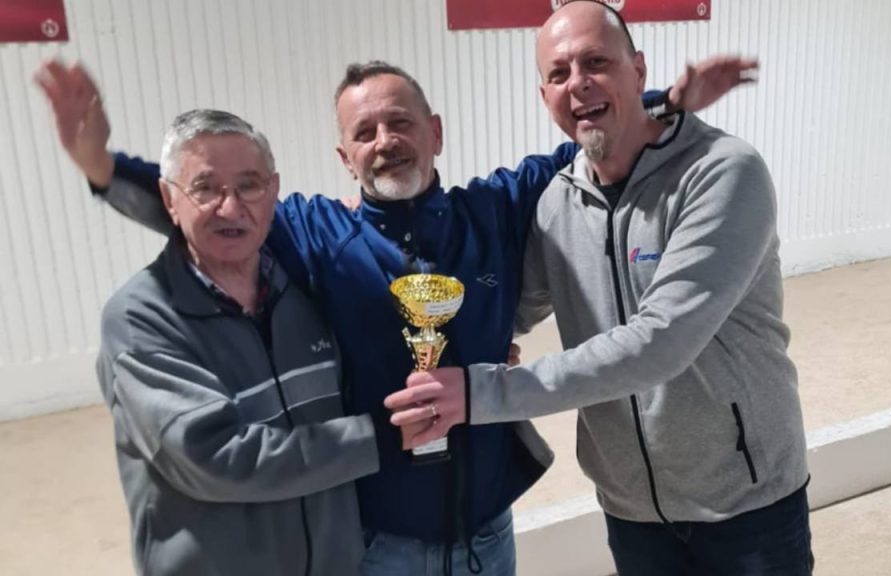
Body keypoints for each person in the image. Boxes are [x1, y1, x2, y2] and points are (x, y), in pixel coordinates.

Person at [36, 52, 752, 575]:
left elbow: (589, 134)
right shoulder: (311, 232)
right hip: (380, 542)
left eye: (400, 122)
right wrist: (103, 166)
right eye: (366, 132)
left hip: (489, 529)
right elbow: (214, 206)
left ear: (435, 131)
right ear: (345, 156)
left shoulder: (498, 206)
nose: (385, 141)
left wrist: (663, 101)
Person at [385, 2, 813, 575]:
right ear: (545, 97)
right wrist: (472, 344)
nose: (578, 83)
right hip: (630, 508)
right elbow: (513, 309)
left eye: (595, 62)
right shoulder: (557, 203)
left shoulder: (721, 172)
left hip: (746, 502)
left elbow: (659, 343)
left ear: (638, 71)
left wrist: (479, 391)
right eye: (559, 73)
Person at [83, 108, 378, 575]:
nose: (230, 207)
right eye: (205, 188)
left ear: (274, 191)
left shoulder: (308, 290)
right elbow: (217, 459)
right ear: (169, 199)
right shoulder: (140, 318)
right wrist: (377, 439)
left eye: (249, 185)